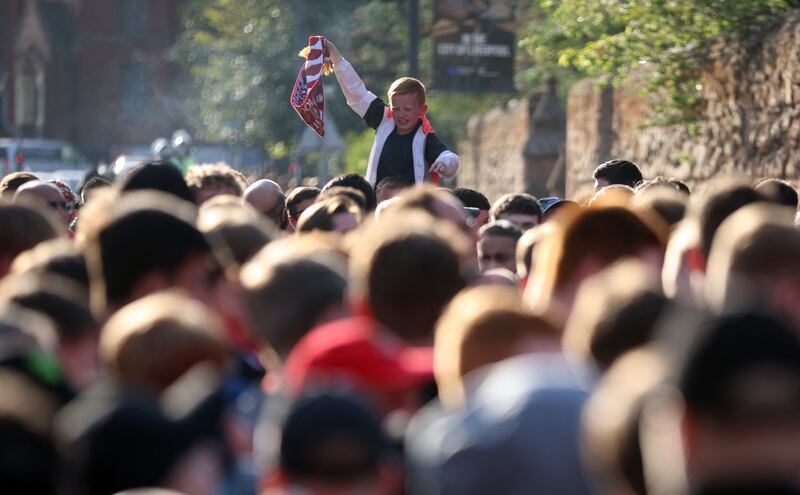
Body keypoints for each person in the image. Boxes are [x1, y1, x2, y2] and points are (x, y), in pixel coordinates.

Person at [327, 41, 459, 186]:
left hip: (409, 205)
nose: (401, 114)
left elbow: (447, 155)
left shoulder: (425, 136)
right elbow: (356, 93)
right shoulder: (383, 119)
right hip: (377, 202)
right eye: (396, 108)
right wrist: (336, 58)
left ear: (423, 110)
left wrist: (444, 163)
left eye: (407, 109)